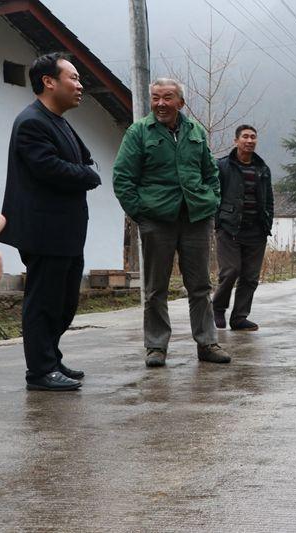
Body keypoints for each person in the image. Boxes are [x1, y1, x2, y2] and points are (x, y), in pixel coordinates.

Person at [113, 78, 231, 367]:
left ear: (181, 102)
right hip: (157, 221)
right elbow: (122, 178)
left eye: (167, 98)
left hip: (196, 218)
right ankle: (156, 347)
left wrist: (212, 200)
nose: (161, 104)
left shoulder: (196, 132)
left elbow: (211, 173)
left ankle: (207, 343)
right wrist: (141, 213)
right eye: (155, 98)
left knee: (200, 285)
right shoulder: (139, 132)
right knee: (156, 288)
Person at [0, 53, 101, 391]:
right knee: (43, 301)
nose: (80, 84)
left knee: (64, 301)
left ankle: (51, 359)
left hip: (67, 231)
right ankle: (39, 372)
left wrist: (86, 171)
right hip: (44, 231)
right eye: (73, 77)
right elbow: (50, 169)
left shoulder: (58, 120)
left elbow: (85, 160)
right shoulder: (32, 122)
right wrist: (87, 175)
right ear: (48, 81)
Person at [212, 124, 273, 331]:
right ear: (236, 140)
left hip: (256, 230)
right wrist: (218, 222)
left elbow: (269, 199)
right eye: (245, 137)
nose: (249, 140)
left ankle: (239, 317)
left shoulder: (262, 169)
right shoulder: (222, 166)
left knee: (250, 277)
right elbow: (213, 195)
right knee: (230, 271)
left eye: (253, 137)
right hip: (229, 229)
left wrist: (267, 222)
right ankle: (218, 307)